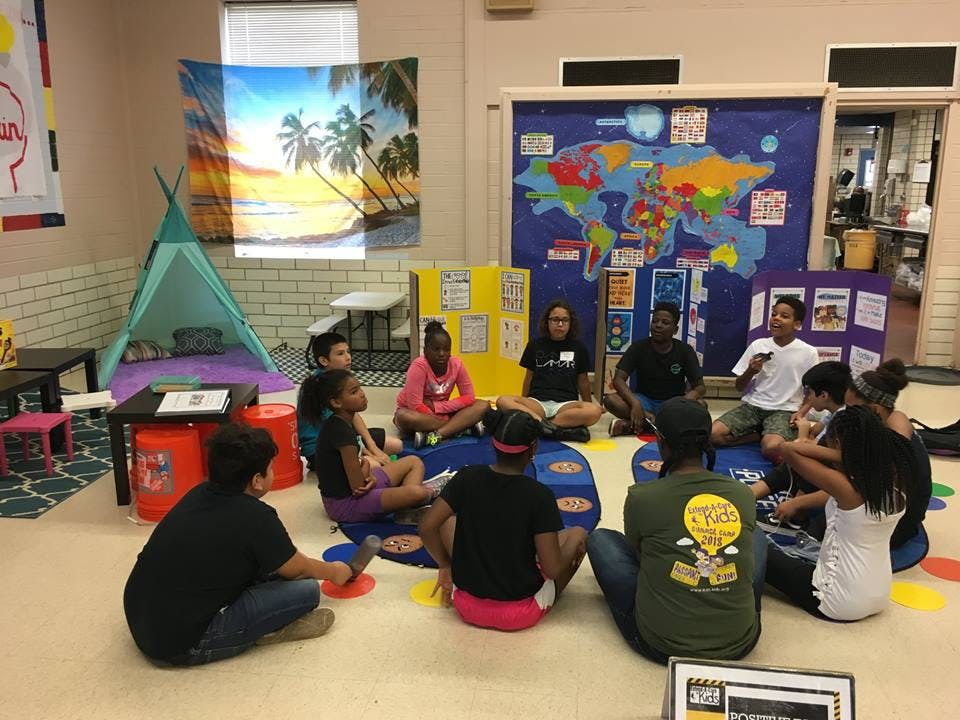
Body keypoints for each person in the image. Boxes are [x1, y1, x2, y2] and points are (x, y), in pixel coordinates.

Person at [123, 423, 353, 666]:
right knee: (307, 590)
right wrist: (335, 572)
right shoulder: (257, 517)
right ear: (256, 480)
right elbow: (297, 568)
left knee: (269, 567)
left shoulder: (198, 493)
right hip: (183, 643)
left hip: (141, 616)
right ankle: (263, 631)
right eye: (270, 469)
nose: (272, 473)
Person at [586, 398, 762, 663]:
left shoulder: (642, 496)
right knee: (755, 536)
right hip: (739, 642)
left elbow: (639, 553)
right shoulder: (741, 493)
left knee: (600, 539)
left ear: (660, 442)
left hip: (660, 644)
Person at [419, 408, 587, 631]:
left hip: (465, 605)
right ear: (534, 448)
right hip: (520, 613)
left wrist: (445, 565)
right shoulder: (539, 495)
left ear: (493, 443)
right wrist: (573, 542)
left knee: (447, 520)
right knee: (577, 534)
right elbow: (553, 569)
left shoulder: (467, 477)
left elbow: (427, 526)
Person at [761, 405, 918, 621]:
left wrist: (849, 455)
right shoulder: (897, 477)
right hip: (880, 594)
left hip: (836, 601)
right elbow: (900, 418)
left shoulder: (846, 488)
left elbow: (788, 449)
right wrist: (869, 452)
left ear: (838, 444)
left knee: (757, 547)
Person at [301, 369, 433, 523]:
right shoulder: (341, 432)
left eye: (360, 388)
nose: (362, 394)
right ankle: (414, 500)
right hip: (345, 505)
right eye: (354, 392)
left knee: (414, 462)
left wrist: (368, 473)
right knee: (419, 493)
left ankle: (406, 509)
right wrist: (367, 470)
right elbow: (358, 487)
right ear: (336, 402)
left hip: (355, 488)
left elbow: (358, 475)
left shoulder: (340, 422)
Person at [711, 296, 819, 460]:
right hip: (753, 407)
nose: (776, 318)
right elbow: (739, 387)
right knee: (713, 435)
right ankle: (757, 435)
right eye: (774, 314)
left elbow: (814, 391)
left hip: (785, 411)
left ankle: (767, 436)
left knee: (771, 448)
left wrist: (801, 413)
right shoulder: (758, 345)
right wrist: (750, 371)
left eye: (784, 316)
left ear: (797, 324)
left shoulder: (808, 352)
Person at [844, 359, 932, 548]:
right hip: (894, 515)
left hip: (892, 530)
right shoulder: (893, 418)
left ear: (875, 409)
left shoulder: (889, 437)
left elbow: (852, 486)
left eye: (851, 410)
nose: (846, 415)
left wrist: (800, 503)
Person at [750, 361, 852, 525]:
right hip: (834, 470)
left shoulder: (845, 423)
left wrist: (803, 433)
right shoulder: (837, 412)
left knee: (799, 458)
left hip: (843, 479)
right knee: (794, 457)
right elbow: (815, 437)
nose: (807, 398)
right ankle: (750, 495)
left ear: (824, 396)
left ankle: (796, 513)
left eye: (809, 392)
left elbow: (816, 451)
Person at [496, 299, 603, 443]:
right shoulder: (534, 345)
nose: (560, 324)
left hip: (566, 405)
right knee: (503, 401)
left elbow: (583, 381)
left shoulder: (579, 348)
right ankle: (557, 429)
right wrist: (524, 402)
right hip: (537, 402)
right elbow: (529, 377)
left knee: (594, 411)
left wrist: (588, 404)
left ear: (571, 324)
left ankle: (541, 426)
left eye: (565, 320)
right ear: (547, 322)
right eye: (555, 320)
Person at [297, 332, 401, 470]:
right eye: (340, 354)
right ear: (323, 360)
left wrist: (373, 446)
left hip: (344, 437)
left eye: (348, 351)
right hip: (323, 448)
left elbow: (352, 416)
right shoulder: (320, 386)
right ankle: (320, 465)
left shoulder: (340, 378)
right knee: (375, 465)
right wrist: (370, 453)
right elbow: (338, 431)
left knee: (397, 445)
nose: (348, 357)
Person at [604, 302, 705, 437]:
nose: (658, 325)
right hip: (644, 402)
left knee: (701, 406)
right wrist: (635, 404)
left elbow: (700, 387)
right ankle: (659, 424)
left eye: (665, 322)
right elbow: (618, 379)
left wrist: (683, 403)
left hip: (674, 403)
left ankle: (640, 426)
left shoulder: (685, 351)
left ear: (675, 329)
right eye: (655, 321)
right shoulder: (638, 347)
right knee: (610, 401)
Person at [394, 321, 491, 449]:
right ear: (425, 351)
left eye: (446, 349)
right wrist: (449, 419)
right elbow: (415, 405)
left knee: (482, 405)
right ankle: (460, 428)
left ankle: (437, 435)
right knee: (402, 417)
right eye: (436, 349)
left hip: (440, 413)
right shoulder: (418, 366)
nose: (441, 354)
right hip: (419, 414)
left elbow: (469, 397)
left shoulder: (456, 364)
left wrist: (437, 407)